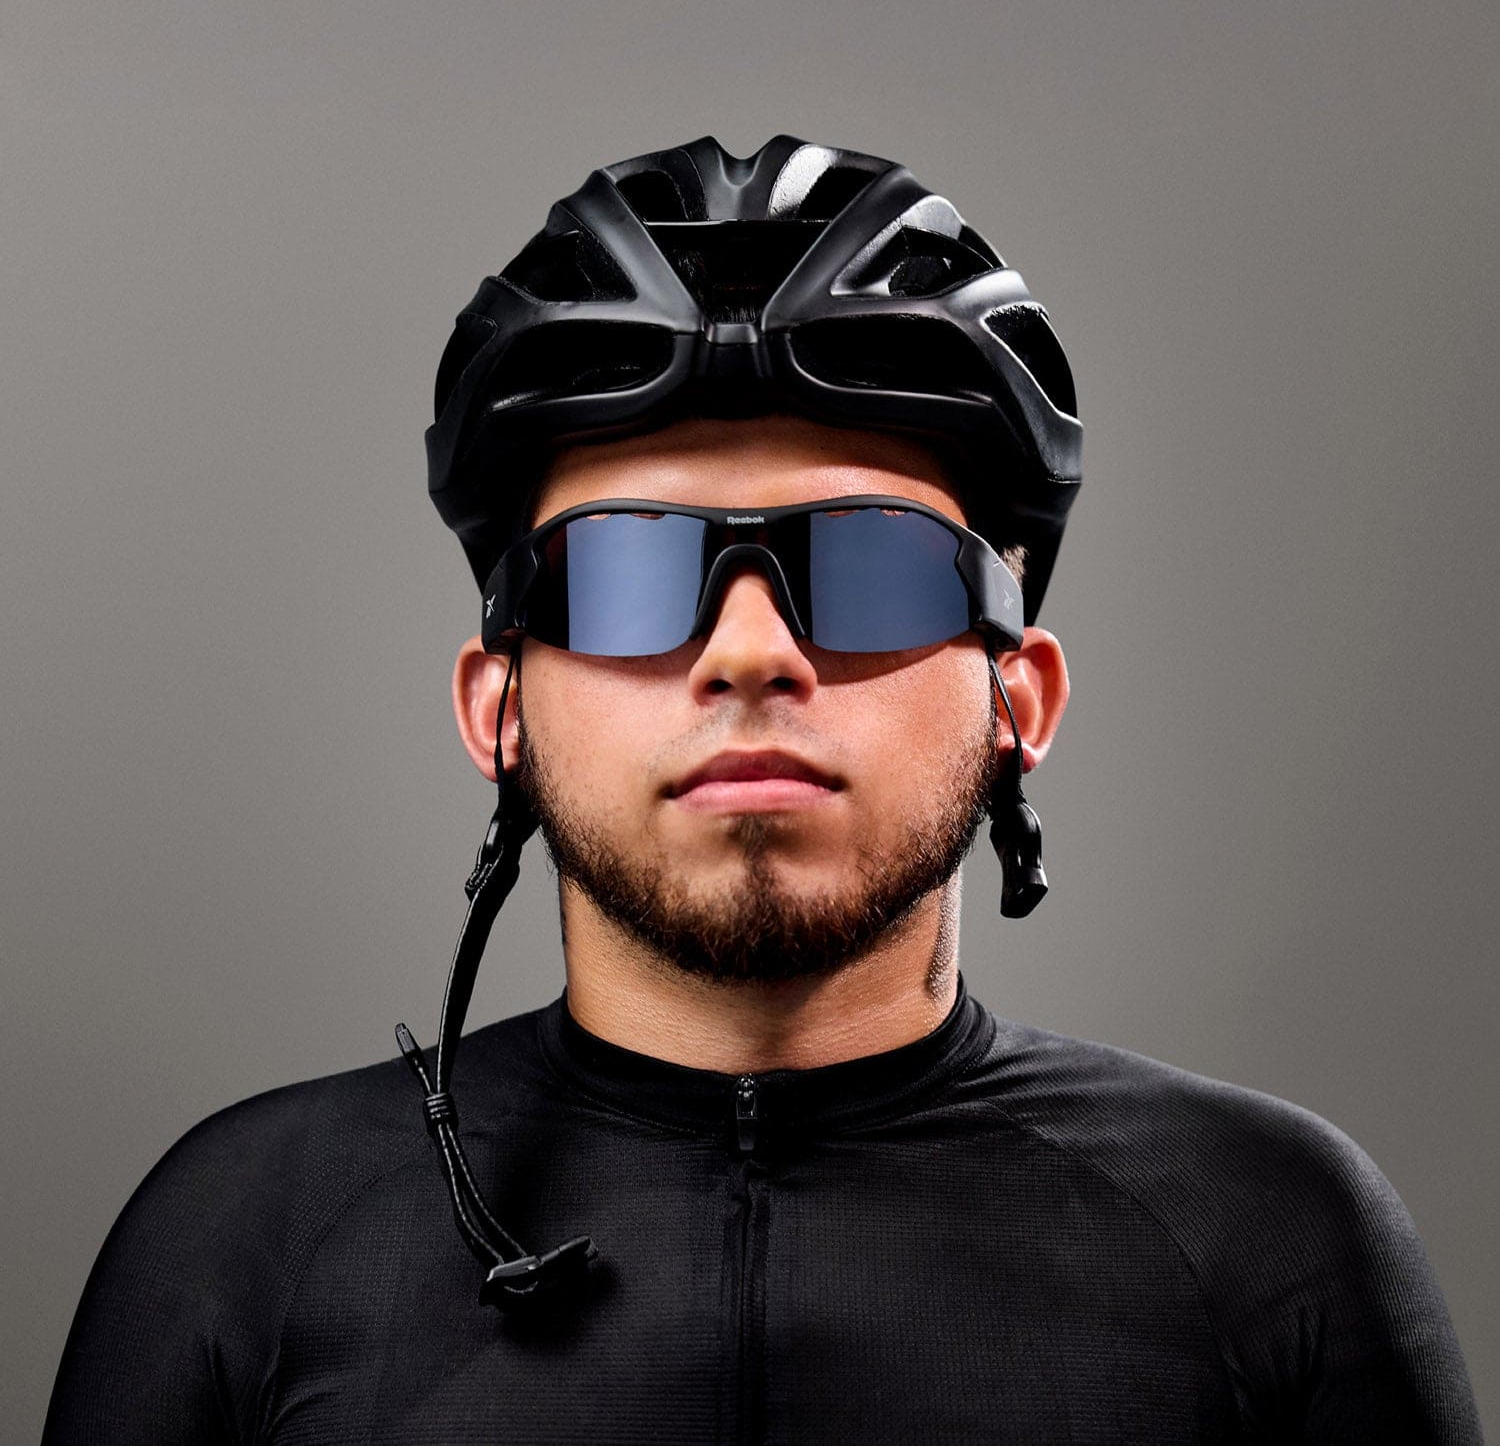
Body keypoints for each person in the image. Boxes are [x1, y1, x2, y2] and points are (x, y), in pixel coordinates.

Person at [43, 135, 1482, 1444]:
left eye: (866, 564)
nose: (750, 652)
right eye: (626, 573)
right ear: (499, 709)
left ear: (1019, 699)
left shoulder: (1276, 1243)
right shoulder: (242, 1239)